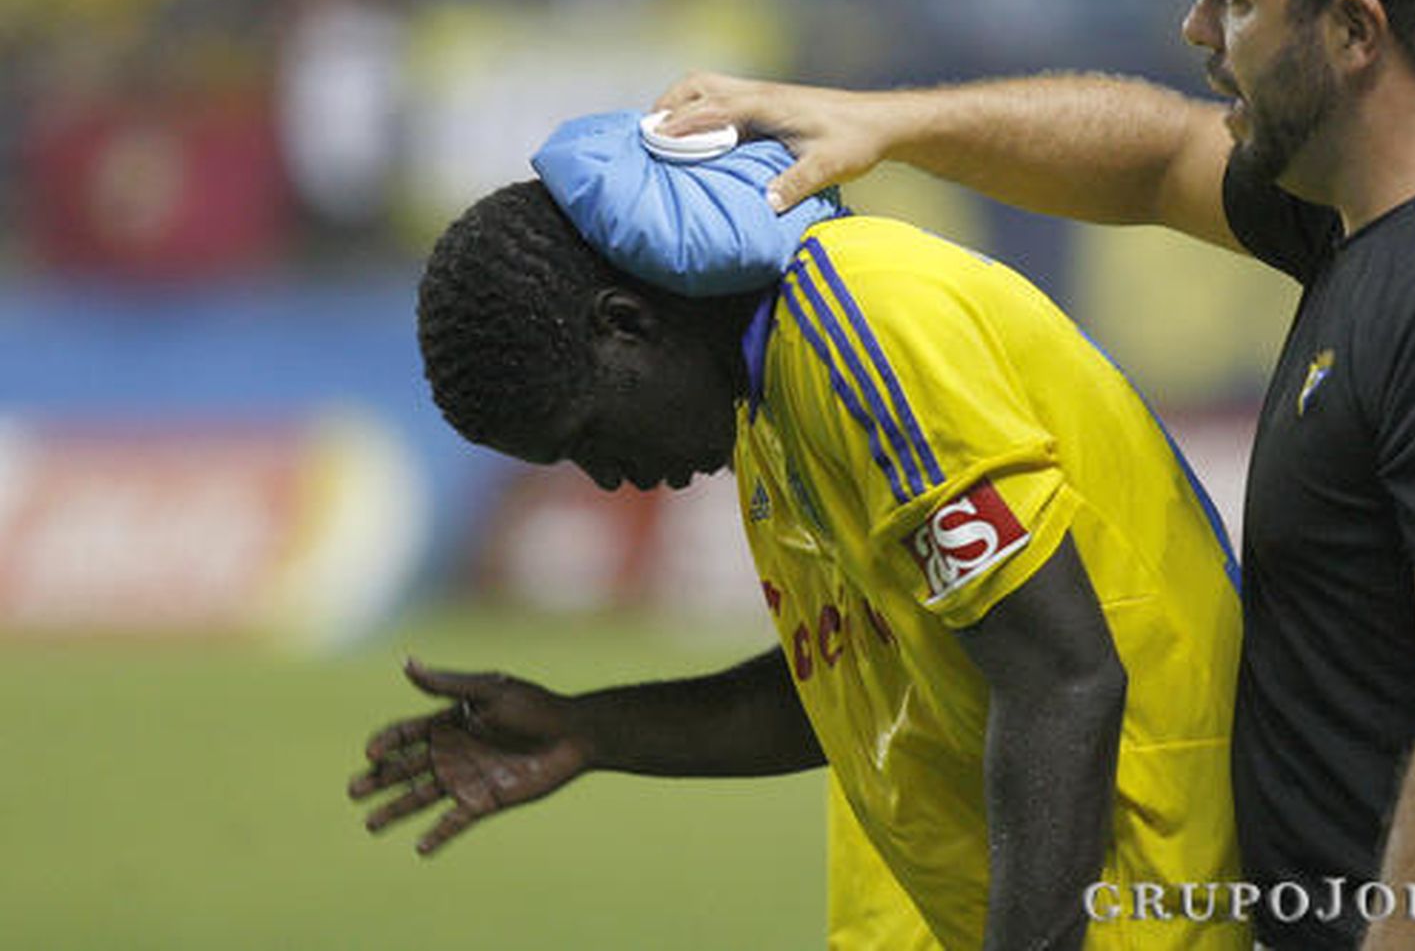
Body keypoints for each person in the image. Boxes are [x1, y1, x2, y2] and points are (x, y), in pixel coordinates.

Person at [647, 0, 1415, 949]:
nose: (1195, 27)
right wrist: (885, 122)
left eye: (1234, 0)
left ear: (1352, 32)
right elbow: (1151, 157)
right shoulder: (1361, 227)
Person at [349, 113, 1247, 950]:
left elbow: (1062, 683)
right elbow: (861, 686)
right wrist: (591, 731)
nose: (609, 479)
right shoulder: (768, 401)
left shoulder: (861, 324)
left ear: (625, 327)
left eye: (586, 437)